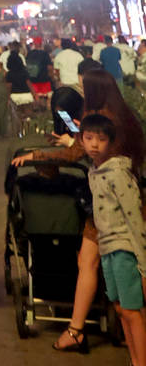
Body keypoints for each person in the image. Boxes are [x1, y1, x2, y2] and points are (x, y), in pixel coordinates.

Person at [14, 67, 146, 351]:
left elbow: (75, 153)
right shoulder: (125, 117)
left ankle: (77, 330)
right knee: (101, 266)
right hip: (127, 201)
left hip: (107, 209)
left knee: (87, 263)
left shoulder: (100, 121)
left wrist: (37, 155)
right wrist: (76, 139)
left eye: (86, 87)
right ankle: (119, 329)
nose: (83, 93)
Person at [81, 113, 146, 365]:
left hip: (124, 248)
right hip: (108, 247)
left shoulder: (117, 173)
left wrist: (142, 263)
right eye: (88, 138)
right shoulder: (95, 172)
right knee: (121, 309)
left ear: (111, 142)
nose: (94, 144)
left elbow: (134, 218)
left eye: (101, 139)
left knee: (131, 312)